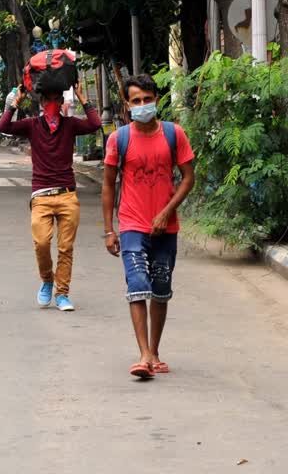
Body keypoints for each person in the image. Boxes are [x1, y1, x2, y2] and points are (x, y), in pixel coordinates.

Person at [102, 74, 195, 379]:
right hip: (132, 224)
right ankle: (143, 354)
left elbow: (188, 178)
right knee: (137, 284)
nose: (142, 105)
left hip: (166, 228)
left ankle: (154, 351)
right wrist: (109, 229)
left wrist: (167, 212)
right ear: (127, 105)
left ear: (156, 99)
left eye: (147, 99)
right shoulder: (119, 139)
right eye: (136, 101)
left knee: (161, 289)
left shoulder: (174, 135)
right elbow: (108, 185)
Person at [0, 82, 100, 311]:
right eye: (48, 99)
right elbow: (2, 126)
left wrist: (84, 98)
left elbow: (95, 124)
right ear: (41, 103)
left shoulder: (71, 125)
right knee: (42, 243)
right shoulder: (32, 125)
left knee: (66, 247)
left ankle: (62, 293)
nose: (52, 104)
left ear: (61, 103)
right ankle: (47, 280)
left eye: (56, 99)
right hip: (41, 196)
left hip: (67, 195)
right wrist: (15, 103)